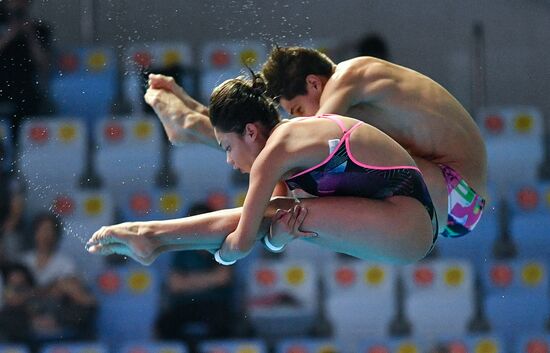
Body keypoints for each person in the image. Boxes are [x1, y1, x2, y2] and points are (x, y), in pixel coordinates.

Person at [145, 45, 487, 241]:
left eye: (296, 108)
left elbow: (304, 137)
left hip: (454, 193)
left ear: (313, 83)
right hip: (450, 200)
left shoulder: (351, 74)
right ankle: (192, 121)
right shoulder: (358, 98)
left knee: (297, 149)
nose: (296, 117)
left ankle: (192, 124)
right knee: (286, 149)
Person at [87, 75, 437, 265]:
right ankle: (154, 237)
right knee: (279, 213)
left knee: (274, 213)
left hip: (407, 221)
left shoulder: (278, 150)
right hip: (402, 224)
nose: (228, 161)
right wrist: (273, 241)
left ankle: (150, 234)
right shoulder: (288, 146)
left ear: (252, 132)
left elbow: (240, 242)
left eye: (227, 148)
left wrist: (221, 254)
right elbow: (267, 231)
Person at [0, 0, 52, 141]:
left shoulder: (39, 30)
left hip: (25, 92)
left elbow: (44, 64)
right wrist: (9, 34)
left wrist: (30, 36)